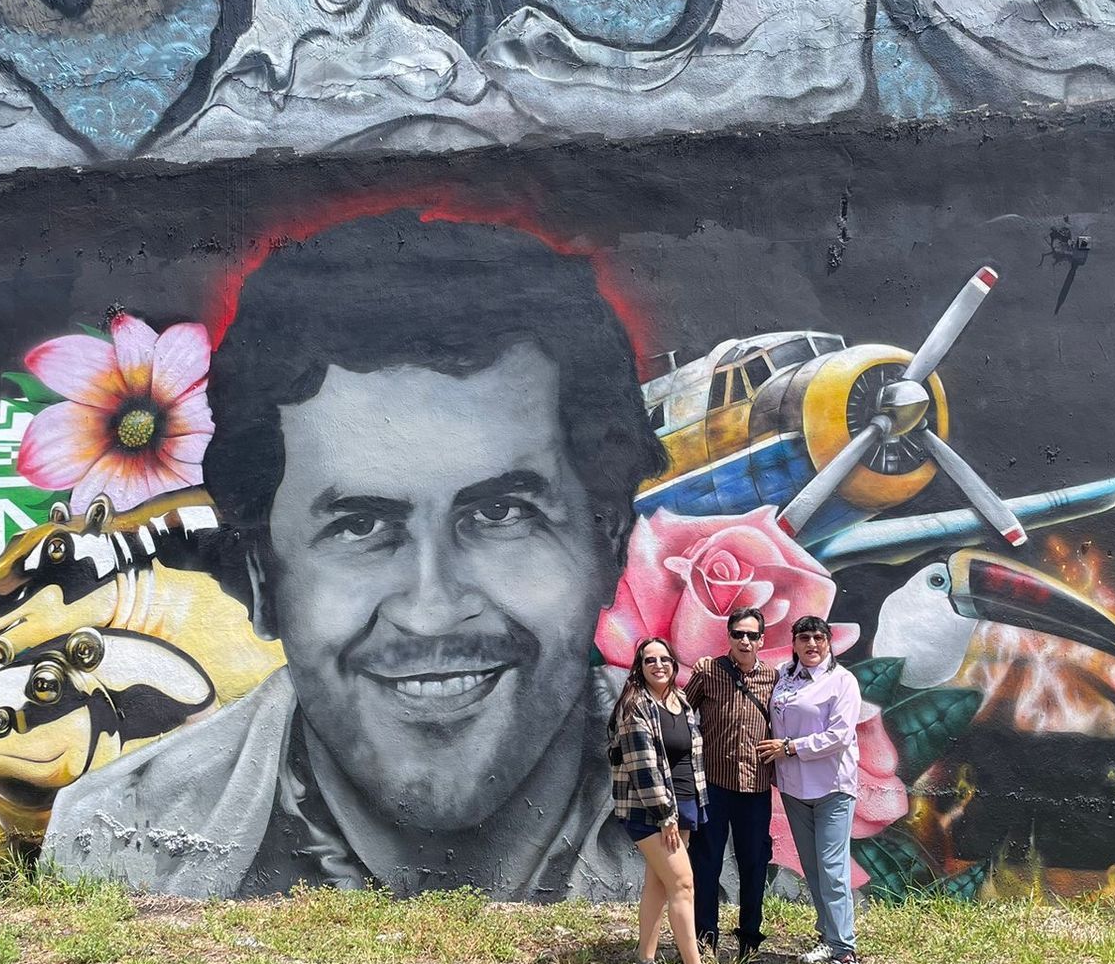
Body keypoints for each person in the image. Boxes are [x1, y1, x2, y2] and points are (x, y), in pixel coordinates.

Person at [46, 210, 668, 900]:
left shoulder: (756, 830)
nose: (432, 611)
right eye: (360, 527)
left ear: (609, 543)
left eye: (501, 514)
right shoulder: (116, 845)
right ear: (262, 579)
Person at [608, 637, 729, 964]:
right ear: (639, 668)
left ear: (674, 665)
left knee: (659, 884)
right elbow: (643, 769)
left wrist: (685, 810)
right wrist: (666, 815)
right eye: (649, 661)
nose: (658, 665)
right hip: (652, 811)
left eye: (664, 659)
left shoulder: (681, 704)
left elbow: (689, 760)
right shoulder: (636, 708)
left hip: (685, 805)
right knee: (682, 883)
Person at [758, 614, 863, 964]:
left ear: (829, 641)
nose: (812, 644)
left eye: (819, 638)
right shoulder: (784, 676)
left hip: (832, 787)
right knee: (814, 870)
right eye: (805, 638)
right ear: (795, 642)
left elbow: (839, 735)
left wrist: (790, 747)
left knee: (833, 871)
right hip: (794, 788)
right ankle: (827, 936)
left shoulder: (842, 682)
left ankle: (845, 953)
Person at [684, 605, 778, 964]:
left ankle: (749, 942)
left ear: (761, 640)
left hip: (755, 789)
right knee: (706, 865)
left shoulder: (773, 678)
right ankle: (704, 940)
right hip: (714, 786)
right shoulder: (708, 671)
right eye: (738, 633)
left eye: (752, 635)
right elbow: (680, 710)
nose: (744, 640)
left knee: (754, 864)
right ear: (729, 636)